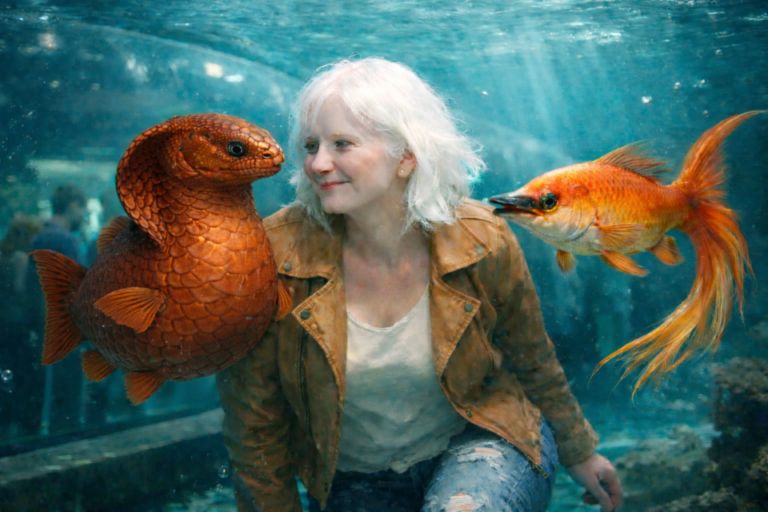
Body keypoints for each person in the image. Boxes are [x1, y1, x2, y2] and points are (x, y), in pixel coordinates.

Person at [216, 57, 623, 512]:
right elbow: (254, 421)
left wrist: (579, 450)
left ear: (407, 155)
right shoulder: (268, 255)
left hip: (482, 441)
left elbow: (533, 357)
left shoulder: (482, 236)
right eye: (311, 145)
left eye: (342, 144)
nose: (318, 163)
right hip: (353, 477)